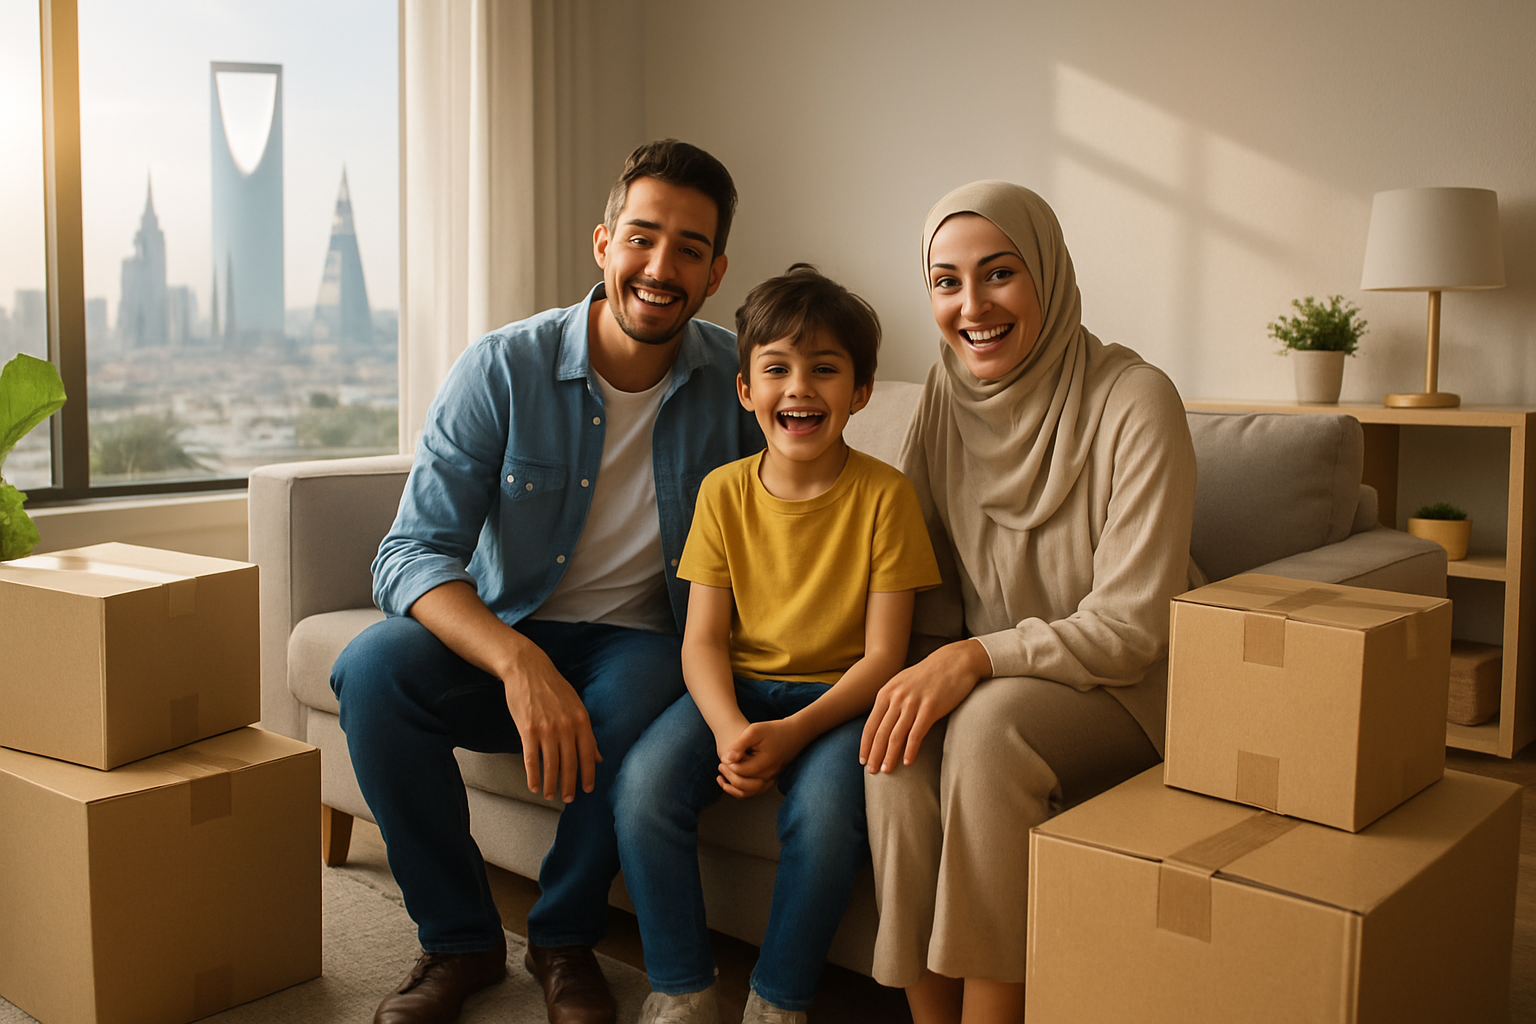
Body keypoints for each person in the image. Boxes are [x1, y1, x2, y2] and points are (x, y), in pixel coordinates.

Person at [330, 139, 763, 1024]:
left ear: (716, 271)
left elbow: (804, 505)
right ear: (603, 244)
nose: (660, 266)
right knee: (371, 672)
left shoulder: (741, 384)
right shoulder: (502, 368)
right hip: (508, 631)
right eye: (643, 237)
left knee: (646, 687)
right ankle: (458, 942)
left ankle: (564, 939)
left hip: (643, 649)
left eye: (689, 248)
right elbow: (410, 554)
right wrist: (521, 663)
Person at [858, 181, 1200, 1024]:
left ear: (1047, 273)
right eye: (945, 282)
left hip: (1138, 689)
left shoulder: (1136, 399)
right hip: (1003, 679)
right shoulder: (945, 401)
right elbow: (927, 583)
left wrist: (972, 658)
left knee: (985, 727)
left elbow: (1131, 629)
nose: (971, 305)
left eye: (999, 274)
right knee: (892, 741)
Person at [612, 265, 942, 1024]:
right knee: (642, 789)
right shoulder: (722, 493)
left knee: (826, 820)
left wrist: (794, 732)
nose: (801, 388)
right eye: (778, 369)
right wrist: (730, 730)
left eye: (826, 370)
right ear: (746, 391)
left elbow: (885, 658)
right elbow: (700, 643)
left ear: (860, 393)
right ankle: (682, 986)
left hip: (839, 703)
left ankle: (778, 1000)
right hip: (736, 691)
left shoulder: (887, 498)